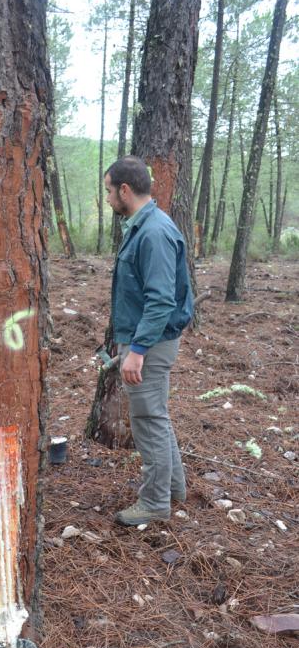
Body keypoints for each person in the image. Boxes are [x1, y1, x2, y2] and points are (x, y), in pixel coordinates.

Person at [104, 156, 193, 526]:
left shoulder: (154, 232)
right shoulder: (143, 226)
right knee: (156, 415)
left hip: (151, 343)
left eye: (109, 191)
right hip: (146, 337)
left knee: (148, 420)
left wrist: (137, 351)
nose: (107, 198)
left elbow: (160, 299)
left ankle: (155, 503)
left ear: (125, 189)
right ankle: (173, 488)